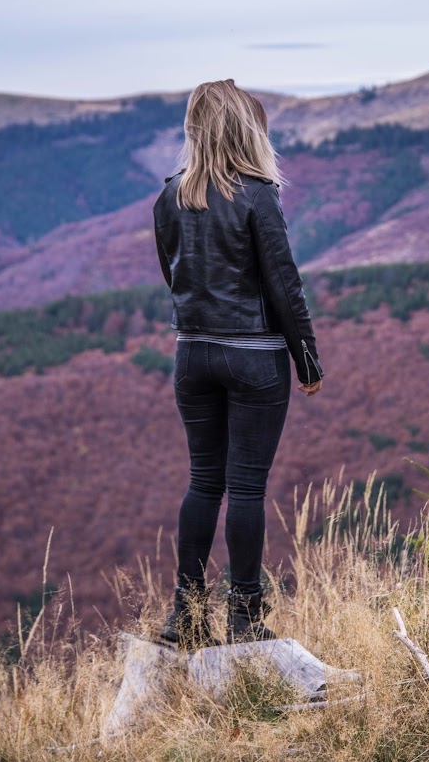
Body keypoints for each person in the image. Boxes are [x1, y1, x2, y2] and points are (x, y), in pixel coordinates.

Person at [152, 79, 324, 648]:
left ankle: (185, 618)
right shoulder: (257, 193)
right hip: (253, 357)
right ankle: (245, 619)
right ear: (247, 130)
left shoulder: (170, 196)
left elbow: (173, 275)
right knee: (246, 488)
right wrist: (307, 359)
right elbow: (283, 283)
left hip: (192, 353)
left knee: (204, 482)